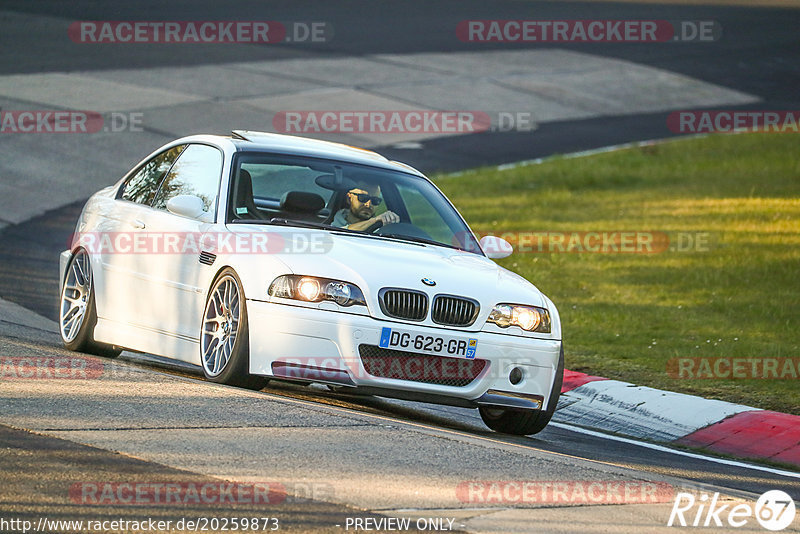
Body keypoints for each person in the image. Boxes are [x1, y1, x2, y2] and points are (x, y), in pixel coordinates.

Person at [332, 183, 399, 230]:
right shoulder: (331, 224)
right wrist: (373, 221)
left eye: (375, 200)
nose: (368, 204)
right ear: (349, 199)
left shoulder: (382, 229)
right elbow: (342, 231)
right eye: (363, 198)